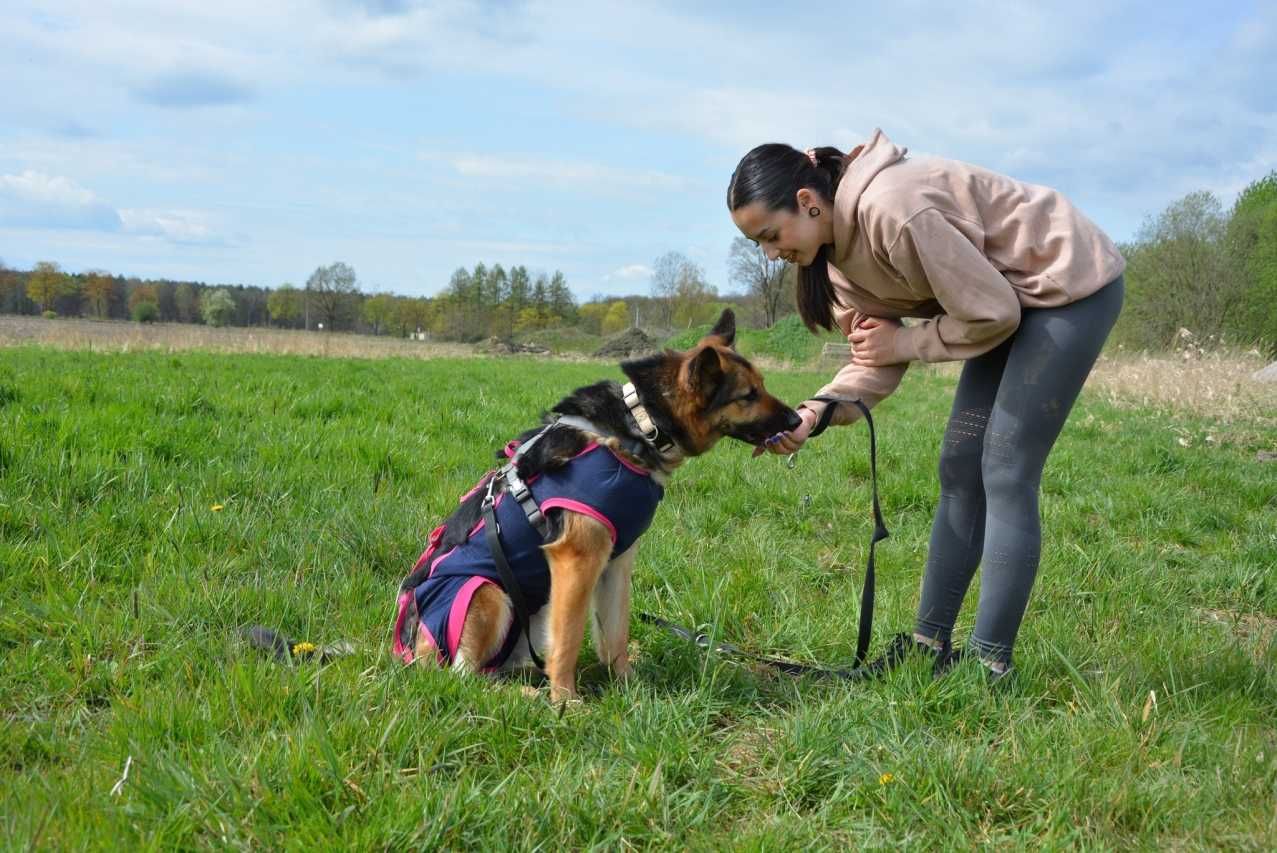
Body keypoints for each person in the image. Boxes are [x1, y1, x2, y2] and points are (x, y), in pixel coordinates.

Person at [727, 129, 1125, 681]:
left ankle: (989, 666)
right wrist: (812, 414)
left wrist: (908, 342)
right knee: (959, 466)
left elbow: (991, 315)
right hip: (998, 304)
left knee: (1006, 467)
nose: (772, 254)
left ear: (807, 201)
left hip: (1064, 282)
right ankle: (928, 645)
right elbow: (873, 359)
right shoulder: (832, 264)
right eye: (759, 245)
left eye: (771, 235)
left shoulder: (894, 209)